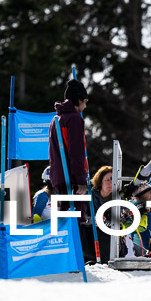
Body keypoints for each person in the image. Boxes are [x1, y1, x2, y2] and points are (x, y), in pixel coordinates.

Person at [48, 79, 89, 218]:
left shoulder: (56, 119)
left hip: (58, 177)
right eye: (84, 101)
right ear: (78, 100)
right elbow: (76, 152)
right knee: (76, 221)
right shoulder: (74, 119)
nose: (85, 105)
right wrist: (80, 180)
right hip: (70, 178)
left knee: (64, 221)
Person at [126, 183, 151, 257]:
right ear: (141, 193)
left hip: (145, 249)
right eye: (150, 193)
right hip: (138, 248)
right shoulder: (137, 207)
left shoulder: (146, 209)